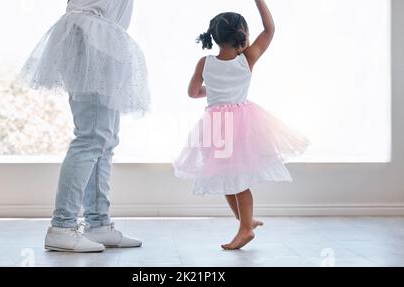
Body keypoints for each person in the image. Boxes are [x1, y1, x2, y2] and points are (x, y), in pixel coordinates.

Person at [174, 0, 309, 250]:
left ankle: (245, 227)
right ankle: (245, 221)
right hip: (241, 123)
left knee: (230, 179)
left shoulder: (205, 63)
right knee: (230, 178)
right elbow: (269, 30)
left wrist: (215, 91)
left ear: (215, 37)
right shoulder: (247, 58)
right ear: (243, 36)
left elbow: (193, 93)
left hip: (217, 125)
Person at [20, 0, 150, 253]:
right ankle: (62, 227)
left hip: (101, 39)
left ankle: (98, 223)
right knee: (91, 137)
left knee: (105, 140)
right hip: (91, 38)